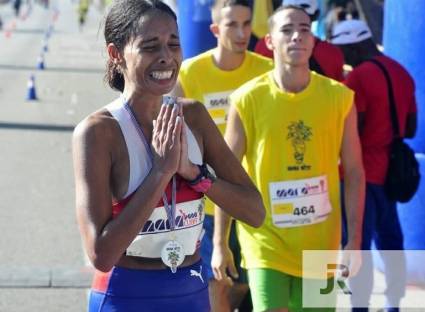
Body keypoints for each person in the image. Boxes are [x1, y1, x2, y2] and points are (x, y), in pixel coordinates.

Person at [72, 1, 265, 311]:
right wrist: (161, 172)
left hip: (191, 292)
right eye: (150, 46)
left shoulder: (194, 117)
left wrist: (197, 177)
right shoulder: (97, 132)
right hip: (125, 295)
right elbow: (101, 255)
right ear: (115, 54)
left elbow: (255, 212)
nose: (166, 56)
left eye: (173, 44)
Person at [212, 5, 365, 311]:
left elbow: (354, 171)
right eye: (286, 30)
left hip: (320, 244)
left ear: (313, 40)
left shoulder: (339, 98)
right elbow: (226, 176)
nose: (297, 36)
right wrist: (219, 243)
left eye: (305, 29)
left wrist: (354, 240)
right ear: (269, 41)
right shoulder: (247, 99)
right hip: (265, 241)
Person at [171, 1, 272, 311]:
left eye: (246, 24)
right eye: (232, 25)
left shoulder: (266, 72)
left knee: (248, 288)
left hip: (255, 199)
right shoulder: (190, 73)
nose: (242, 33)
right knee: (216, 286)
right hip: (208, 204)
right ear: (215, 29)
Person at [331, 19, 417, 312]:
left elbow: (355, 129)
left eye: (344, 51)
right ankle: (393, 305)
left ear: (355, 46)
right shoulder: (402, 72)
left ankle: (359, 307)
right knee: (392, 243)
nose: (343, 58)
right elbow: (411, 129)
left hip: (360, 175)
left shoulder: (358, 79)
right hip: (389, 174)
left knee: (356, 244)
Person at [254, 0, 345, 82]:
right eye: (287, 30)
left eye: (303, 28)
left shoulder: (264, 46)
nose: (296, 37)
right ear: (316, 14)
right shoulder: (331, 52)